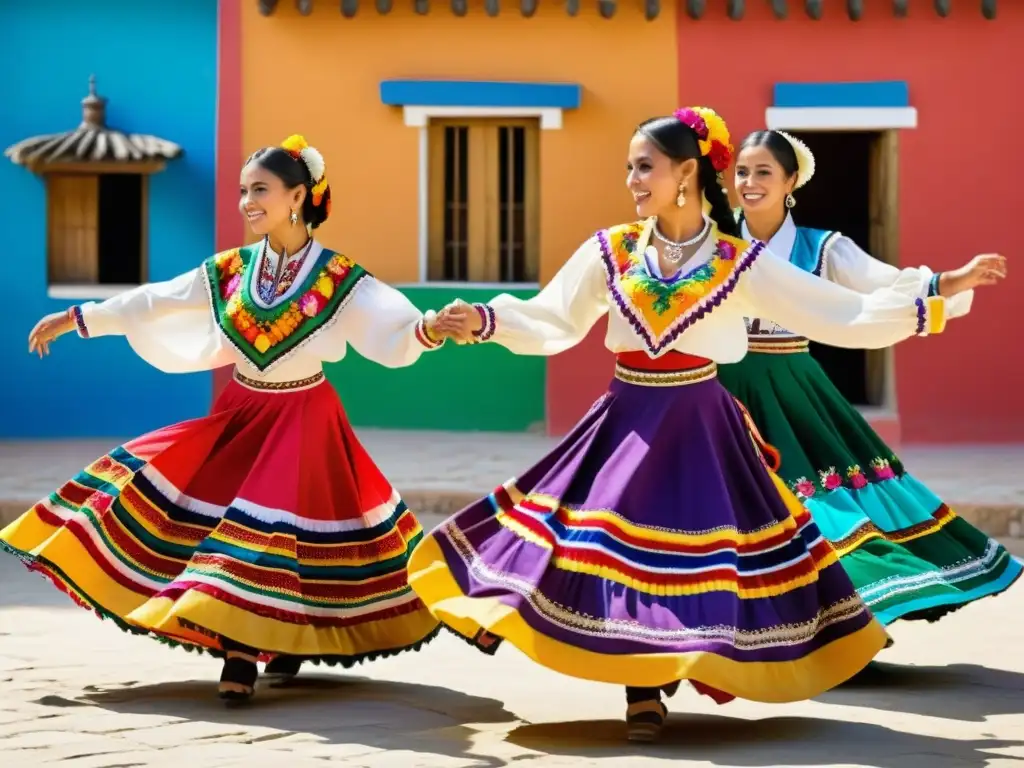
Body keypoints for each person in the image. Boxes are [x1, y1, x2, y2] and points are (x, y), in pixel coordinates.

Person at [408, 106, 976, 742]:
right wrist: (485, 321)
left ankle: (663, 675)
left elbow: (836, 313)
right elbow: (554, 319)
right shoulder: (613, 250)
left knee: (690, 557)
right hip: (626, 419)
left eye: (643, 166)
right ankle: (643, 688)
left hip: (702, 423)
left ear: (685, 174)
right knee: (615, 552)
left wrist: (933, 300)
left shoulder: (740, 262)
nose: (631, 179)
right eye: (628, 167)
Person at [3, 135, 445, 703]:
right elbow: (156, 300)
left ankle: (245, 652)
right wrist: (78, 318)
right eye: (242, 191)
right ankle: (267, 636)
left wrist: (428, 330)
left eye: (259, 189)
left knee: (275, 529)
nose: (246, 201)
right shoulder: (233, 270)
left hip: (303, 416)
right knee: (198, 505)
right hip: (241, 412)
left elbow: (393, 324)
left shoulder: (339, 278)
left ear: (297, 196)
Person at [716, 129, 1019, 627]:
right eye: (742, 172)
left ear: (792, 180)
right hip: (722, 390)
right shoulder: (715, 240)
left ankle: (840, 621)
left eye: (764, 172)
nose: (749, 182)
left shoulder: (823, 248)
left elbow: (884, 285)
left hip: (791, 389)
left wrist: (951, 281)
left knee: (814, 505)